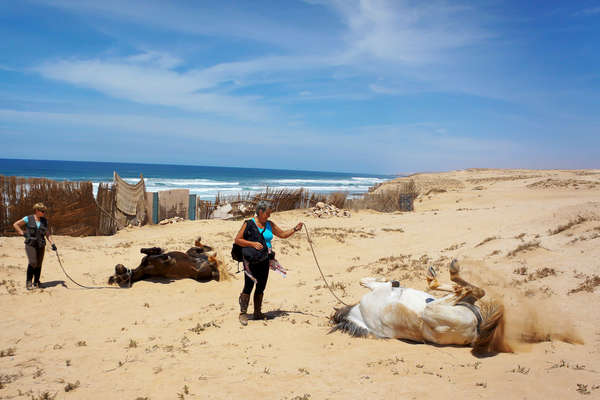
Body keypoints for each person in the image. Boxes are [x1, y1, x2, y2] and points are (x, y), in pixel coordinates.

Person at [234, 200, 303, 325]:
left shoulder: (269, 224)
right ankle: (243, 313)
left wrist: (295, 229)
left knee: (261, 286)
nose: (269, 216)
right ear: (260, 212)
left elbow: (282, 234)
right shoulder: (249, 223)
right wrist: (252, 243)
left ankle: (257, 312)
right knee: (248, 286)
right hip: (251, 260)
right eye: (267, 213)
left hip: (265, 259)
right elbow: (238, 240)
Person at [13, 203, 56, 290]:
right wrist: (22, 233)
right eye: (42, 211)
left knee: (39, 263)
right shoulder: (28, 218)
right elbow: (16, 225)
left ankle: (36, 282)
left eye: (44, 211)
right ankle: (29, 282)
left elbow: (47, 233)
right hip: (30, 244)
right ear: (36, 210)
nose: (44, 212)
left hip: (41, 244)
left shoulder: (44, 221)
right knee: (33, 262)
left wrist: (52, 243)